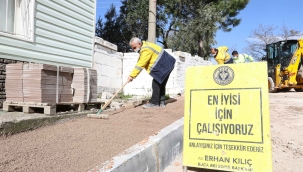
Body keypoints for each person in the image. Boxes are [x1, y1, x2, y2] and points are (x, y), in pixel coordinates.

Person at [127, 38, 176, 109]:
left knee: (155, 83)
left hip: (165, 65)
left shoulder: (146, 49)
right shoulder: (145, 46)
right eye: (133, 48)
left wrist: (132, 76)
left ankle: (154, 103)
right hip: (168, 64)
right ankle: (161, 102)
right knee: (161, 83)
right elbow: (140, 61)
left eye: (134, 47)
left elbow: (140, 64)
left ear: (139, 44)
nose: (134, 49)